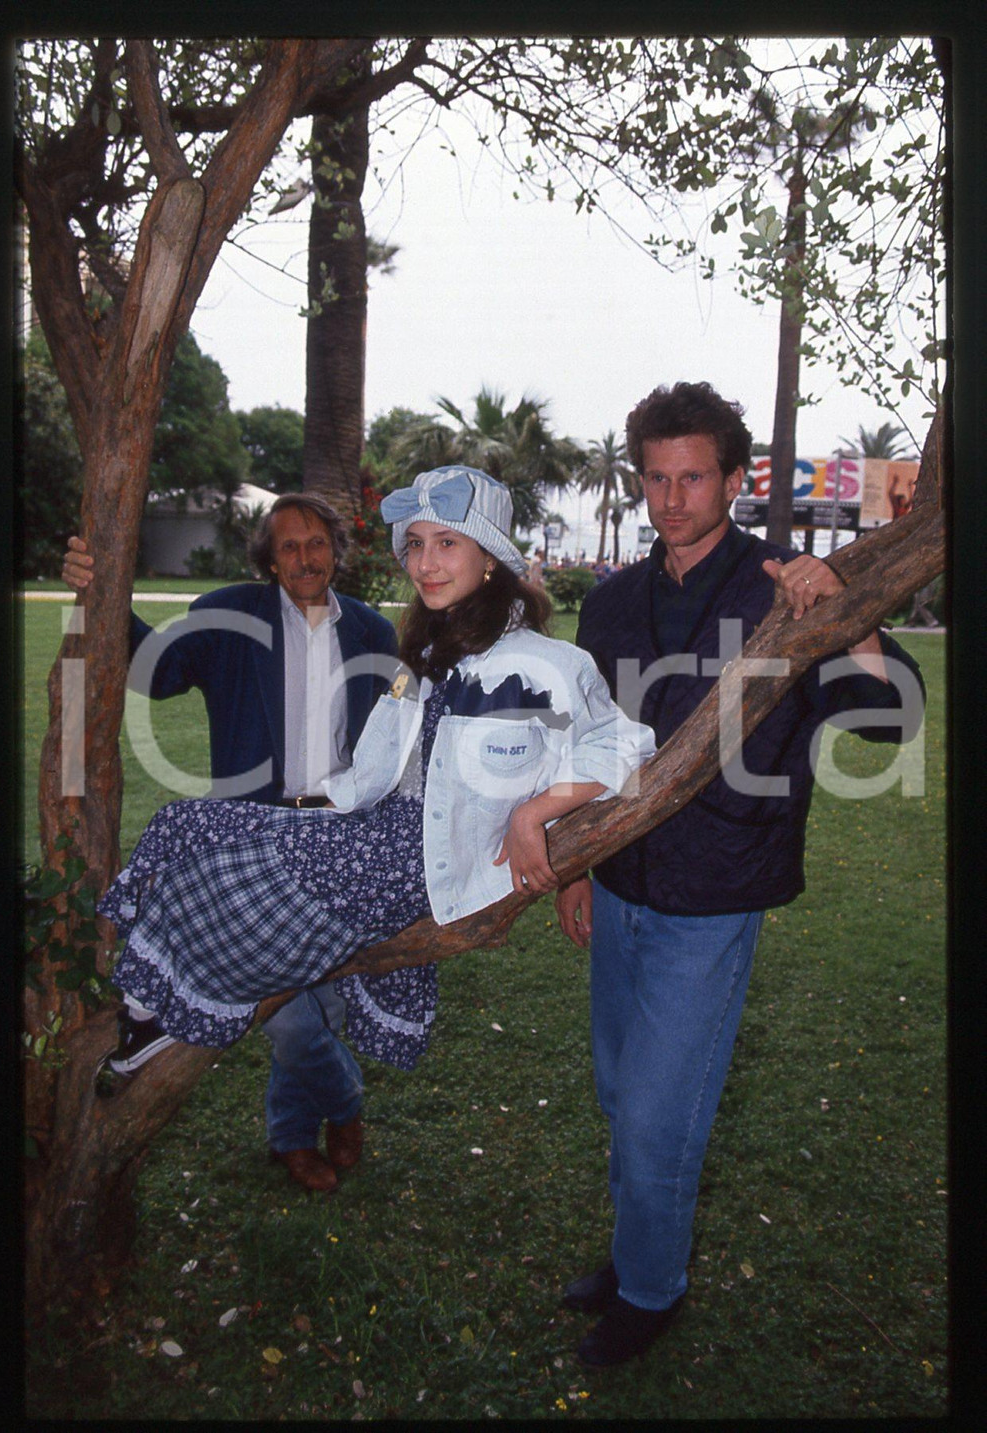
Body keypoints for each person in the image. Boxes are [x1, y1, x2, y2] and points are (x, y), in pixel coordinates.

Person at [555, 381, 924, 1369]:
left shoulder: (781, 588)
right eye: (656, 477)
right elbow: (586, 744)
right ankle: (636, 1251)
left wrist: (845, 613)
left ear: (735, 479)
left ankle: (649, 1291)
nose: (672, 498)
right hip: (618, 881)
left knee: (659, 1109)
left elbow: (893, 720)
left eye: (693, 478)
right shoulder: (611, 601)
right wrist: (574, 868)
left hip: (712, 895)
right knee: (617, 1090)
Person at [96, 466, 656, 1095]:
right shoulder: (422, 655)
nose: (426, 563)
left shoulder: (551, 664)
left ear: (491, 558)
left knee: (245, 883)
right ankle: (153, 1003)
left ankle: (161, 1010)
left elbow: (628, 747)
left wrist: (534, 815)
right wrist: (324, 808)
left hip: (417, 858)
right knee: (184, 823)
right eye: (415, 545)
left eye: (447, 543)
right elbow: (377, 763)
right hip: (373, 826)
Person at [62, 492, 397, 1193]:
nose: (305, 557)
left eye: (316, 543)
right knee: (283, 1011)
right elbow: (153, 670)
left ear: (336, 547)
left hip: (337, 832)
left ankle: (289, 1138)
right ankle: (346, 1103)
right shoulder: (230, 615)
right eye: (289, 546)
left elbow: (385, 742)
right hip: (252, 837)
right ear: (269, 561)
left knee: (325, 997)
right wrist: (103, 592)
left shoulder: (370, 631)